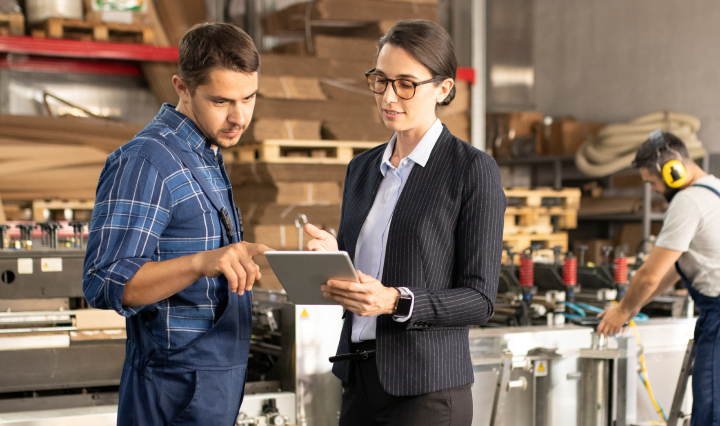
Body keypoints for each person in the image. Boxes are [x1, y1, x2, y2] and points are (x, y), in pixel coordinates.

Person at [301, 19, 505, 426]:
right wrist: (330, 257)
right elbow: (365, 275)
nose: (389, 96)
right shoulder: (361, 169)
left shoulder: (472, 170)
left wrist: (397, 301)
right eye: (381, 80)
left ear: (444, 88)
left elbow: (480, 299)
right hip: (359, 377)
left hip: (426, 392)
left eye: (406, 84)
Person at [81, 22, 271, 426]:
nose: (239, 117)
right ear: (182, 87)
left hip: (211, 387)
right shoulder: (147, 161)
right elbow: (105, 282)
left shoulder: (205, 152)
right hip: (170, 393)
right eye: (221, 101)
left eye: (249, 98)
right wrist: (201, 263)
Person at [595, 130, 720, 426]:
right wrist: (634, 306)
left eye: (652, 182)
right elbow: (673, 269)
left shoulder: (688, 202)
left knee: (717, 419)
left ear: (672, 170)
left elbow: (650, 274)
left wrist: (622, 311)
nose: (653, 189)